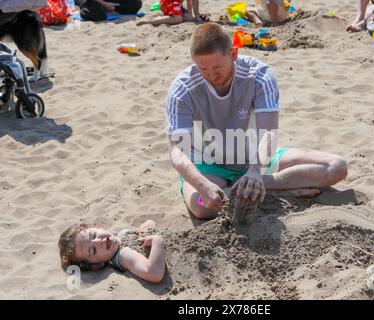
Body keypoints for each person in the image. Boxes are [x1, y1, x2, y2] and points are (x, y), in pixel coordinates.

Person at [166, 23, 348, 220]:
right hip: (207, 163)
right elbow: (178, 151)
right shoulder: (182, 89)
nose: (211, 75)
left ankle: (260, 186)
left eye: (217, 66)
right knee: (201, 207)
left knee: (336, 167)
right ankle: (277, 191)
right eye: (203, 68)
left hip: (257, 158)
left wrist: (255, 172)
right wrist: (201, 185)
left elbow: (269, 134)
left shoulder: (259, 75)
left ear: (233, 54)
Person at [58, 219, 165, 283]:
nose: (98, 241)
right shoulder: (124, 255)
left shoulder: (121, 235)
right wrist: (157, 241)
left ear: (96, 227)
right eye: (93, 250)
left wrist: (148, 226)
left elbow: (150, 223)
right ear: (97, 265)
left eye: (93, 235)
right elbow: (154, 274)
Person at [136, 0, 206, 27]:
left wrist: (192, 16)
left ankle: (167, 17)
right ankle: (150, 21)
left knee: (189, 18)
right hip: (169, 2)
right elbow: (194, 1)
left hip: (171, 3)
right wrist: (197, 17)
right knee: (177, 19)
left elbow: (189, 2)